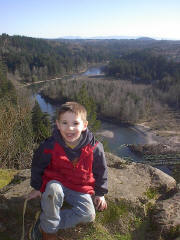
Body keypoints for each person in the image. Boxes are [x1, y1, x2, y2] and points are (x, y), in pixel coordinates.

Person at [27, 101, 108, 240]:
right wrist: (37, 188)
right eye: (64, 123)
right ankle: (49, 232)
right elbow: (38, 165)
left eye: (75, 123)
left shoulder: (94, 147)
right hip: (56, 182)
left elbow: (101, 171)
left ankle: (44, 224)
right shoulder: (50, 145)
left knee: (88, 215)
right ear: (58, 125)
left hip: (80, 187)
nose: (70, 128)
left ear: (84, 125)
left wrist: (100, 194)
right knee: (52, 191)